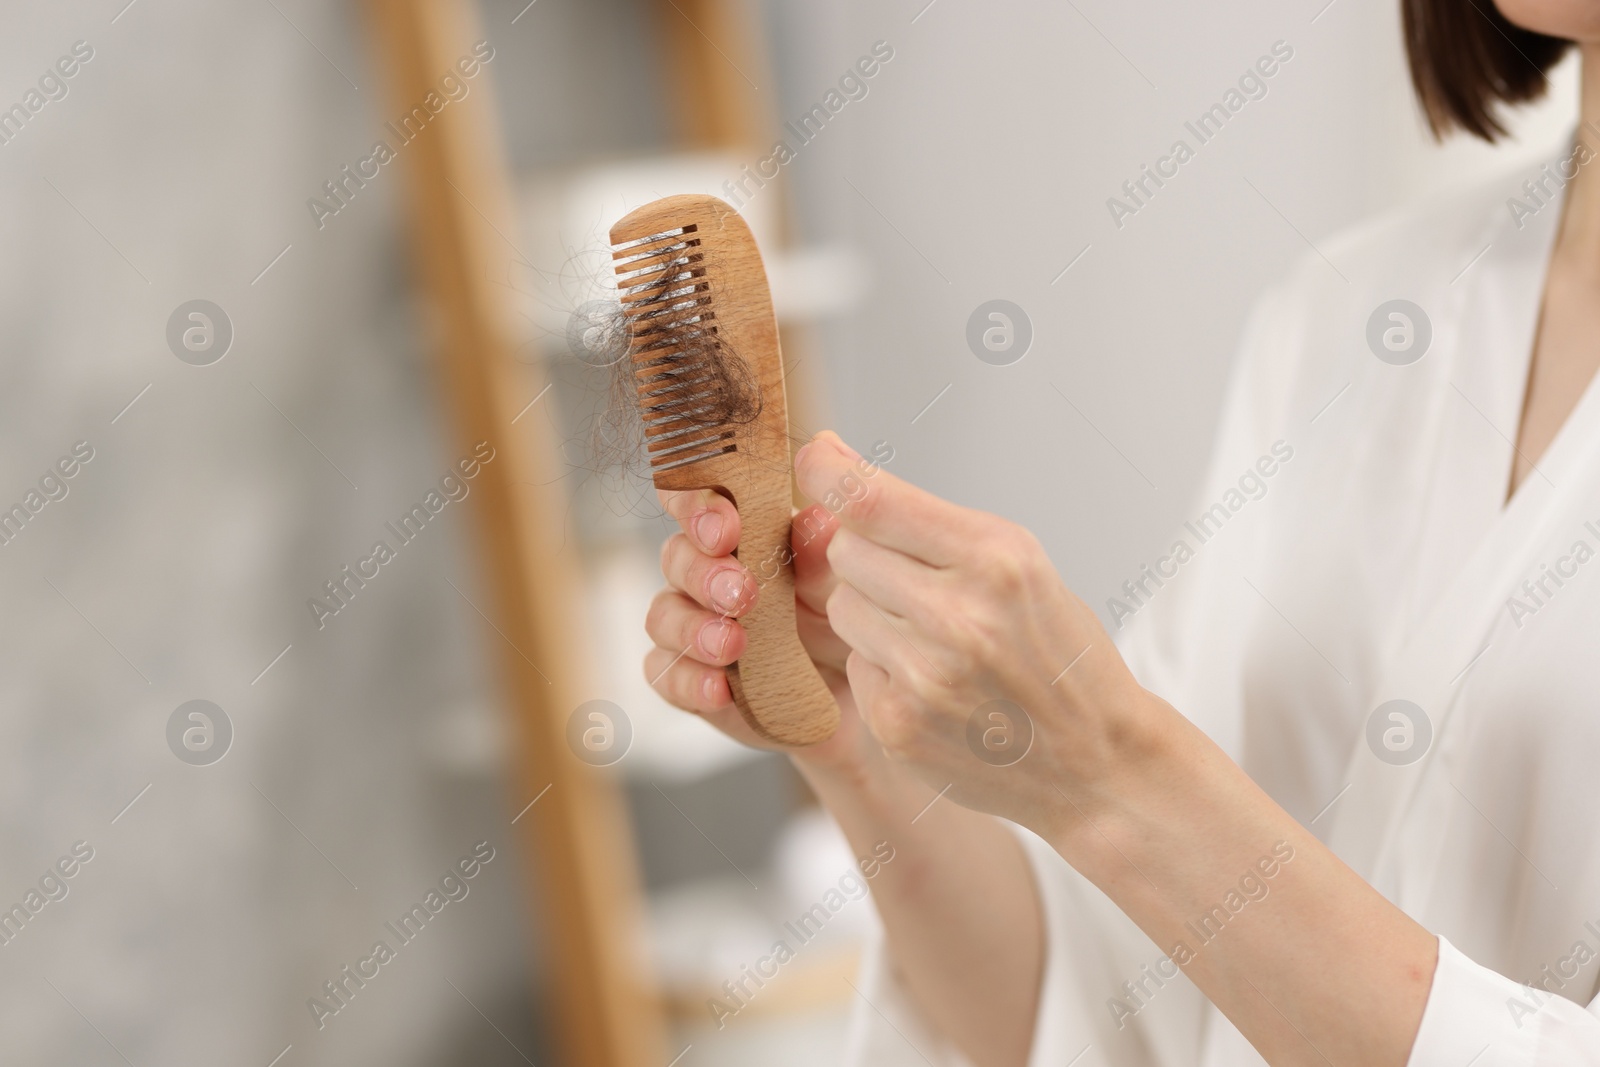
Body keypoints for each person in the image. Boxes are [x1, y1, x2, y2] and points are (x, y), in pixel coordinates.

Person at [642, 0, 1600, 1062]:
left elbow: (1133, 816)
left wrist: (1116, 777)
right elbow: (1098, 1009)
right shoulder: (1344, 316)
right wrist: (854, 743)